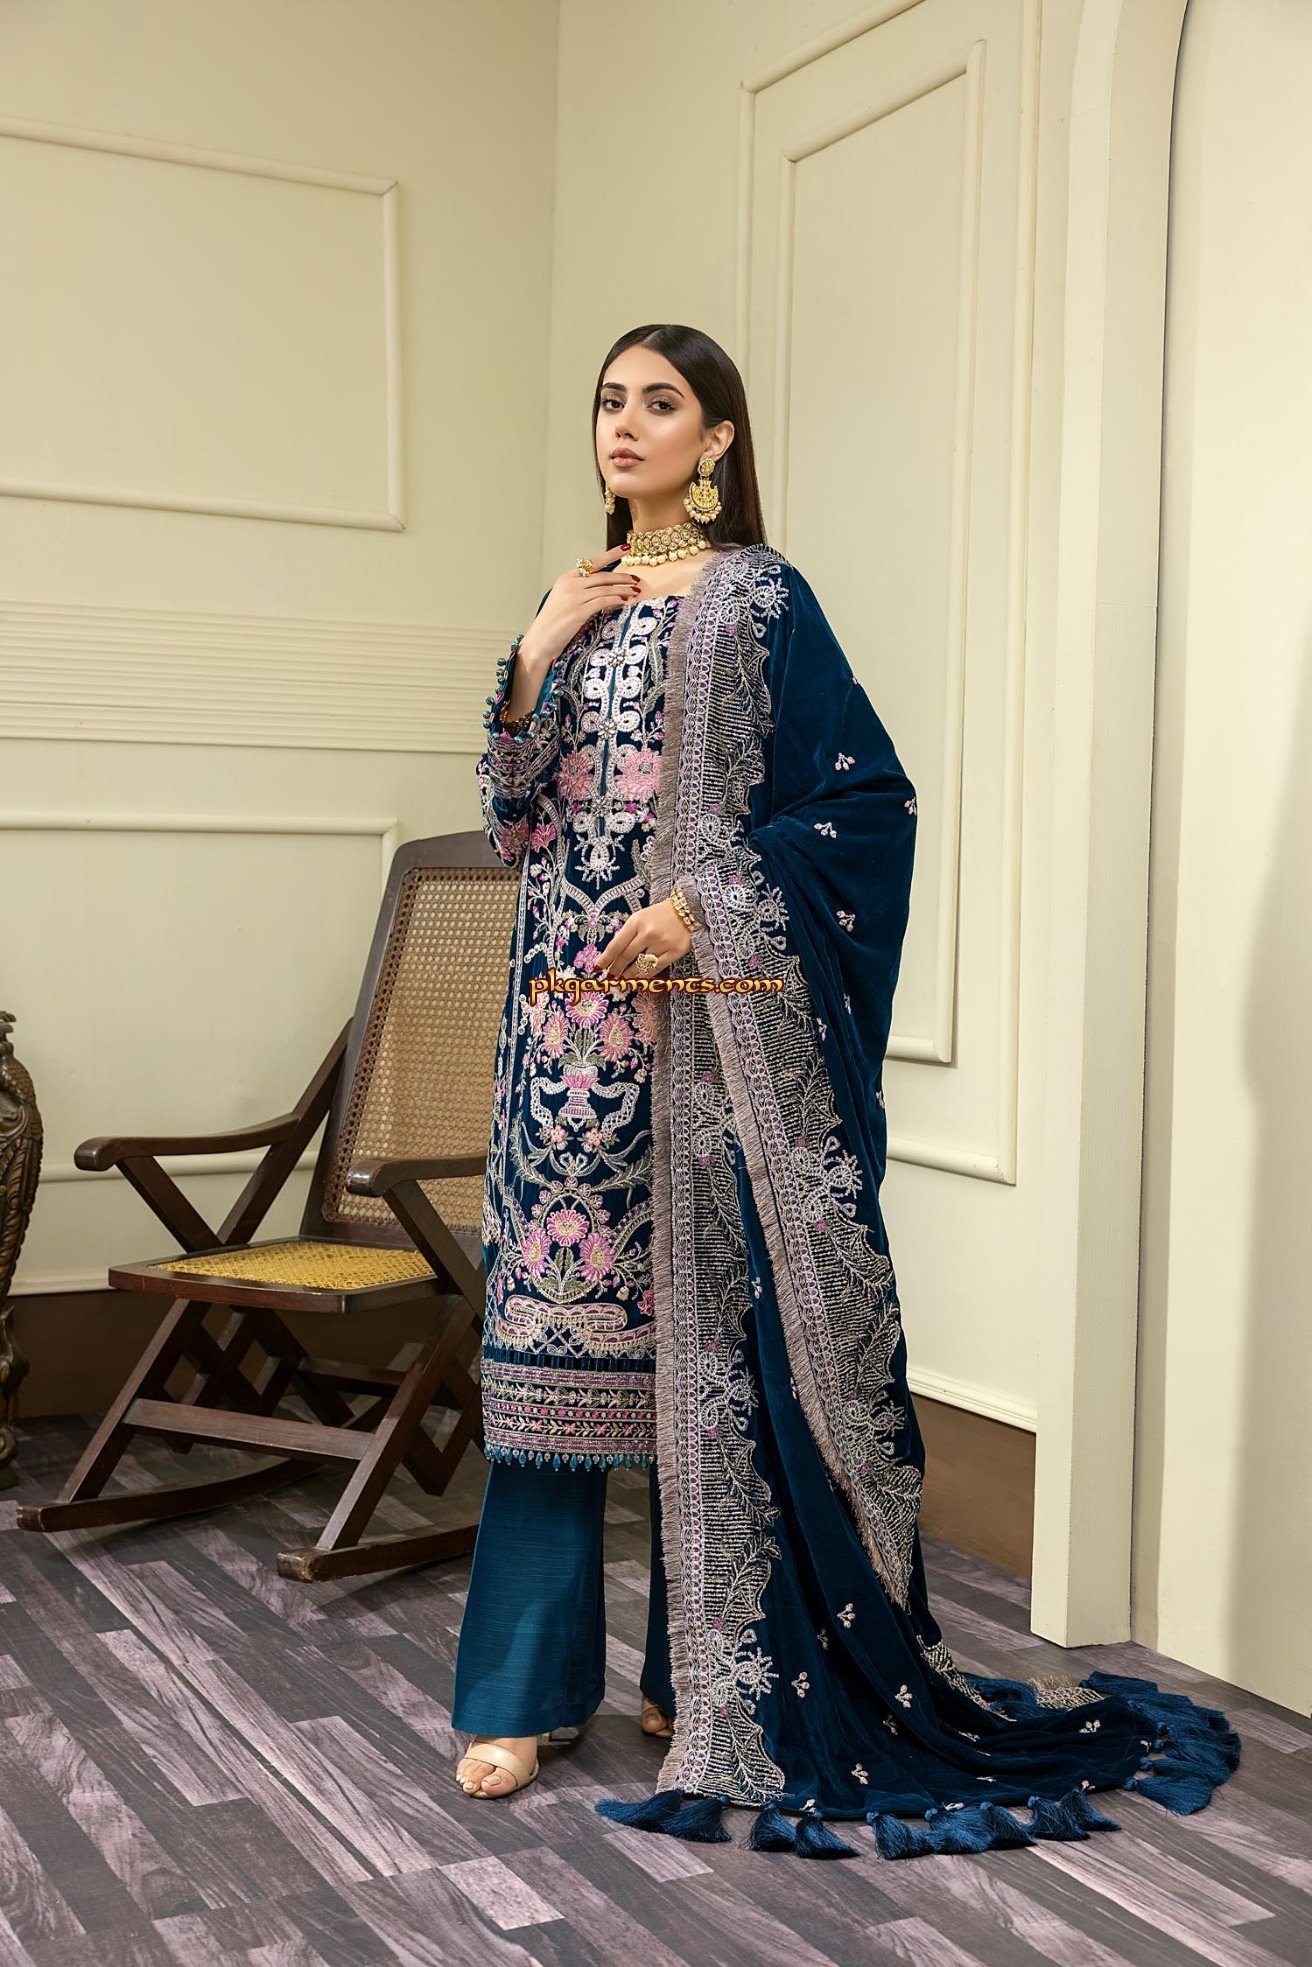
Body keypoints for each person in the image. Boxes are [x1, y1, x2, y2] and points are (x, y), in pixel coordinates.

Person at [453, 324, 1241, 1857]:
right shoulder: (574, 598)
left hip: (711, 1050)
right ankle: (519, 1692)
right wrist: (536, 651)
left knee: (715, 1366)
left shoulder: (763, 600)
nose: (626, 423)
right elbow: (512, 821)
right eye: (610, 400)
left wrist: (706, 906)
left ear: (717, 438)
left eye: (661, 402)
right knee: (550, 1375)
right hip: (562, 1043)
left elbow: (866, 806)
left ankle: (711, 1677)